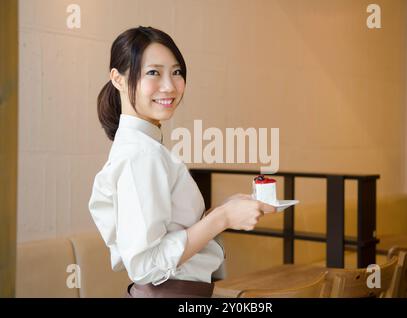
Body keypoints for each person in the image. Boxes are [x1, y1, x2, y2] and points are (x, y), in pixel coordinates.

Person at [88, 26, 276, 298]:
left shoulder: (146, 147)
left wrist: (221, 211)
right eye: (153, 72)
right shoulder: (142, 154)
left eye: (176, 72)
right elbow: (145, 265)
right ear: (117, 79)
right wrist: (222, 218)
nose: (170, 86)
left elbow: (169, 232)